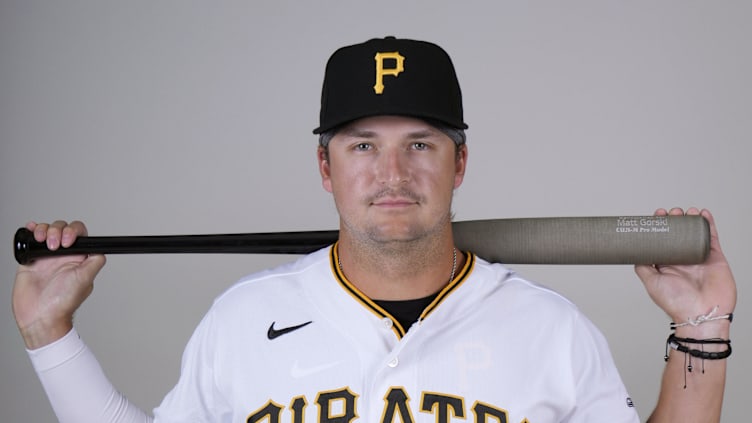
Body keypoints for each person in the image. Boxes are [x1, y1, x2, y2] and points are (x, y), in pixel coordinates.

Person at [12, 37, 736, 423]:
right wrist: (51, 336)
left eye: (420, 142)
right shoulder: (242, 319)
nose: (393, 173)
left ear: (460, 163)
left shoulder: (551, 328)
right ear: (325, 167)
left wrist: (703, 325)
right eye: (363, 144)